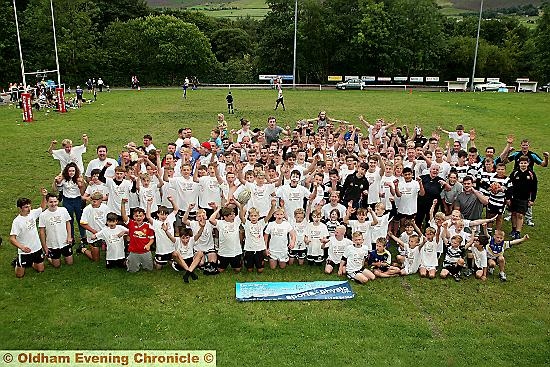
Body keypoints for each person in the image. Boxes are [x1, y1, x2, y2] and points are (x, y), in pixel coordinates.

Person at [9, 190, 48, 278]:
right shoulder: (17, 222)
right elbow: (12, 239)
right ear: (20, 208)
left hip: (37, 248)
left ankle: (31, 263)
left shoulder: (32, 214)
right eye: (26, 207)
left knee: (41, 269)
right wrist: (22, 247)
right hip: (25, 251)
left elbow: (42, 207)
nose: (29, 208)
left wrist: (44, 196)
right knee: (19, 275)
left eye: (29, 206)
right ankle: (17, 262)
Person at [53, 163, 86, 249]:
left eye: (73, 171)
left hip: (78, 200)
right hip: (67, 201)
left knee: (80, 219)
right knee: (69, 220)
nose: (71, 172)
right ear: (67, 172)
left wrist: (81, 185)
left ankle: (83, 237)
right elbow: (58, 189)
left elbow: (83, 192)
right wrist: (57, 181)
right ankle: (71, 237)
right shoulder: (64, 180)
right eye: (70, 171)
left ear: (76, 171)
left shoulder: (79, 179)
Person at [39, 193, 73, 268]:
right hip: (52, 244)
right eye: (51, 202)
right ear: (47, 202)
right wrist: (45, 247)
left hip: (65, 241)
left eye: (55, 201)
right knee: (57, 265)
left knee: (70, 263)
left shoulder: (63, 210)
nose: (53, 204)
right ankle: (48, 257)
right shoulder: (43, 215)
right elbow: (42, 232)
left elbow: (68, 223)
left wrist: (69, 236)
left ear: (58, 201)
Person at [121, 199, 154, 273]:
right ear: (133, 217)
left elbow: (152, 239)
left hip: (145, 252)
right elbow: (123, 215)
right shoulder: (131, 224)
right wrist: (123, 204)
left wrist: (148, 245)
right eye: (136, 216)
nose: (138, 217)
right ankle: (128, 261)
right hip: (134, 252)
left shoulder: (148, 226)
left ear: (144, 216)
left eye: (140, 216)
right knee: (132, 271)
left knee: (149, 270)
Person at [209, 202, 243, 273]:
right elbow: (211, 220)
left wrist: (235, 203)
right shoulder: (221, 223)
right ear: (225, 217)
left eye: (234, 214)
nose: (233, 216)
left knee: (237, 270)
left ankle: (237, 263)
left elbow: (242, 210)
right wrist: (218, 209)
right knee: (220, 270)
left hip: (236, 252)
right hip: (224, 253)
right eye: (231, 215)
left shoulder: (236, 221)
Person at [79, 192, 109, 261]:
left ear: (101, 200)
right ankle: (83, 249)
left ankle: (103, 245)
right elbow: (82, 223)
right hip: (93, 234)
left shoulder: (106, 208)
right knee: (96, 259)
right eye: (92, 200)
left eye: (95, 201)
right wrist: (93, 231)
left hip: (104, 233)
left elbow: (109, 220)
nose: (93, 202)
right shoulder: (87, 209)